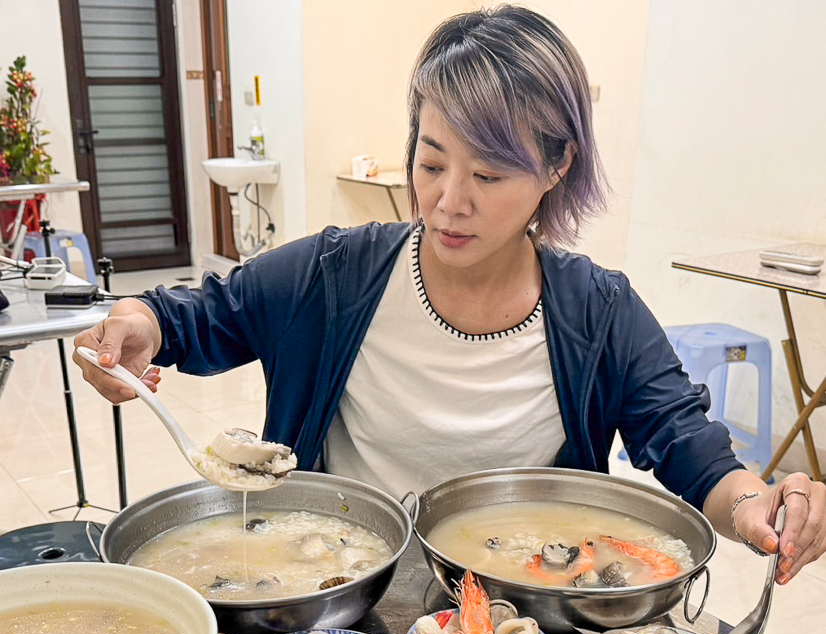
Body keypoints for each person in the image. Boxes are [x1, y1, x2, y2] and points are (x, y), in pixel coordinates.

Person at [73, 4, 826, 583]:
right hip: (338, 596)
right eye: (432, 163)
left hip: (522, 614)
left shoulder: (598, 312)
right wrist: (139, 321)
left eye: (490, 175)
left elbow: (691, 449)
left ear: (557, 167)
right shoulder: (333, 277)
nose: (447, 202)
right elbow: (202, 314)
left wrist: (756, 505)